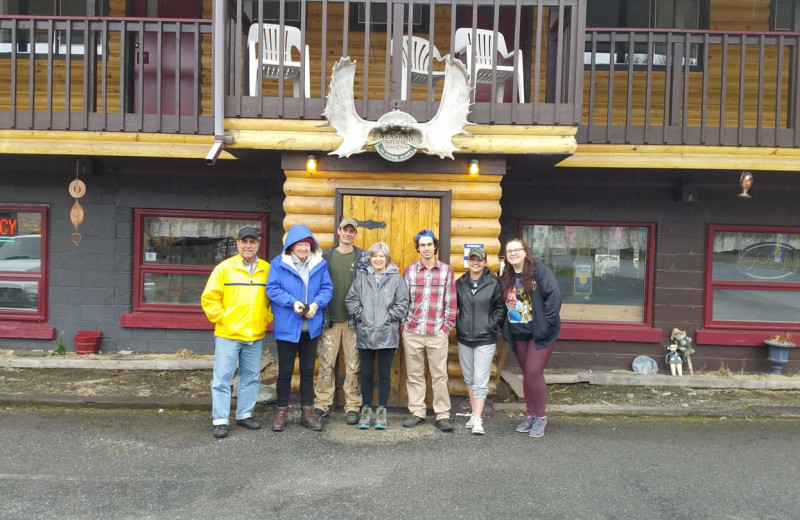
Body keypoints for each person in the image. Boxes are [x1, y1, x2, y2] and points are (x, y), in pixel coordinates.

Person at [201, 226, 272, 439]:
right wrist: (223, 319)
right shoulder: (224, 268)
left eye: (252, 242)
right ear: (237, 244)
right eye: (244, 241)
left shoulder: (267, 269)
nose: (248, 245)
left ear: (258, 244)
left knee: (251, 377)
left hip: (255, 334)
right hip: (228, 335)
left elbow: (273, 299)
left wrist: (267, 318)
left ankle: (244, 414)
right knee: (222, 378)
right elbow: (209, 299)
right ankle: (221, 420)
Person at [266, 224, 333, 432]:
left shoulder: (319, 264)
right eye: (299, 244)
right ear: (291, 247)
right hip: (287, 326)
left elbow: (327, 288)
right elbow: (272, 289)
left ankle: (307, 412)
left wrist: (315, 305)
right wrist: (291, 302)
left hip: (310, 327)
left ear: (311, 246)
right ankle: (282, 412)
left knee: (306, 371)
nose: (303, 248)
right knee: (285, 371)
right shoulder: (278, 264)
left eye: (307, 244)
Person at [499, 237, 561, 439]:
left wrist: (546, 324)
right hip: (519, 333)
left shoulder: (539, 272)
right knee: (526, 373)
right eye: (510, 251)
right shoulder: (506, 276)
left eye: (517, 250)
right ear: (506, 256)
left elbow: (554, 299)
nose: (514, 254)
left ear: (525, 252)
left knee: (534, 371)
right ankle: (531, 415)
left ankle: (541, 417)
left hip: (540, 333)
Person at [345, 242, 409, 430]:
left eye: (382, 256)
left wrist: (389, 318)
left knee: (384, 374)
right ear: (370, 259)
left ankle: (381, 411)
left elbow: (402, 302)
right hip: (365, 333)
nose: (378, 259)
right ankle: (365, 410)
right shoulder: (362, 278)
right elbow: (351, 299)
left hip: (387, 334)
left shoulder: (396, 279)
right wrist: (361, 316)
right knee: (365, 373)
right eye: (375, 256)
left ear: (387, 259)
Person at [313, 217, 369, 425]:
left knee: (354, 365)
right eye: (344, 230)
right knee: (326, 364)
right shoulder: (324, 256)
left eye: (351, 231)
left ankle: (353, 405)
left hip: (354, 321)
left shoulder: (363, 257)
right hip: (329, 319)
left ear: (355, 233)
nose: (348, 233)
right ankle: (322, 404)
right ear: (338, 231)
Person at [401, 229, 457, 431]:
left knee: (439, 375)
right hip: (413, 331)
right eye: (422, 245)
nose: (426, 248)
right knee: (414, 374)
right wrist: (404, 326)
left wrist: (446, 327)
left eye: (429, 244)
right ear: (418, 248)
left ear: (435, 247)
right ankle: (417, 412)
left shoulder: (446, 271)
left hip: (436, 332)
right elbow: (403, 300)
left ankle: (442, 415)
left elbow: (451, 303)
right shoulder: (409, 271)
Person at [455, 246, 505, 435]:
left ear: (485, 262)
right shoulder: (460, 283)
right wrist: (458, 324)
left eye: (479, 260)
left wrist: (490, 325)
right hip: (464, 337)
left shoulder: (493, 283)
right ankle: (474, 412)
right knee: (469, 378)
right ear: (468, 261)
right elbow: (454, 307)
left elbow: (501, 308)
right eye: (472, 259)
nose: (476, 263)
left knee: (481, 380)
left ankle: (478, 418)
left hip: (485, 338)